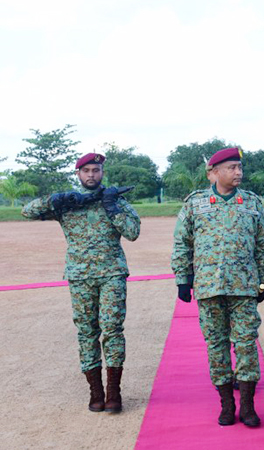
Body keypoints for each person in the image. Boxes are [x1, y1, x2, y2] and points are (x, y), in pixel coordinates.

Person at [22, 152, 141, 413]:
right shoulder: (67, 204)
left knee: (112, 331)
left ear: (102, 173)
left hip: (112, 274)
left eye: (95, 170)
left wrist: (112, 208)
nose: (91, 175)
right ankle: (95, 392)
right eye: (86, 170)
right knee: (87, 333)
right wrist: (55, 199)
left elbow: (132, 232)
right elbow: (27, 211)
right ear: (78, 174)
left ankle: (113, 392)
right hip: (79, 277)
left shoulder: (114, 199)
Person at [171, 147, 264, 427]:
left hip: (244, 287)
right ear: (213, 172)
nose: (238, 172)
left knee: (245, 344)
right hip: (209, 287)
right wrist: (183, 278)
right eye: (231, 167)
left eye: (240, 168)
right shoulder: (196, 203)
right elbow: (182, 243)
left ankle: (248, 407)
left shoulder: (251, 202)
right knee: (216, 346)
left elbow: (262, 246)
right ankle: (227, 405)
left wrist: (263, 279)